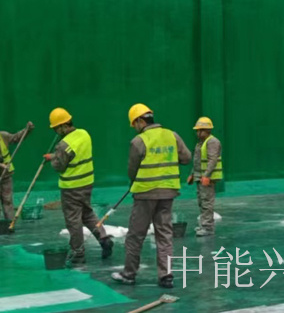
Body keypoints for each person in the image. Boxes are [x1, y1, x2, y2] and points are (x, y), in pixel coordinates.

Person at [111, 104, 191, 288]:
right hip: (167, 192)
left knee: (135, 235)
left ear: (140, 121)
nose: (134, 128)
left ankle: (129, 274)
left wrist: (135, 182)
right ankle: (166, 276)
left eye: (134, 124)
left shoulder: (138, 141)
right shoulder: (172, 135)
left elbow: (132, 170)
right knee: (164, 235)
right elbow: (186, 158)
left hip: (145, 194)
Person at [44, 107, 113, 265]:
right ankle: (104, 238)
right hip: (86, 183)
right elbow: (73, 155)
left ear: (63, 126)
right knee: (87, 214)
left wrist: (54, 159)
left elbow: (59, 166)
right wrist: (54, 156)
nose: (56, 132)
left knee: (73, 220)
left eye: (56, 128)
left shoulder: (63, 145)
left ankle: (78, 254)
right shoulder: (84, 134)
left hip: (71, 187)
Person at [187, 117, 222, 237]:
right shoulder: (201, 143)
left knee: (206, 202)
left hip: (207, 178)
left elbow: (212, 160)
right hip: (200, 177)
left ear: (207, 130)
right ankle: (204, 224)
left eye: (200, 130)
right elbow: (197, 161)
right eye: (197, 130)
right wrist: (192, 174)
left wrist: (207, 176)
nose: (197, 133)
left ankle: (208, 227)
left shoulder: (212, 142)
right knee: (201, 202)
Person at [0, 121, 34, 220]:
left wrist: (27, 130)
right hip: (3, 170)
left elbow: (16, 138)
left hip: (5, 175)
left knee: (7, 201)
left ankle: (10, 222)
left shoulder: (3, 136)